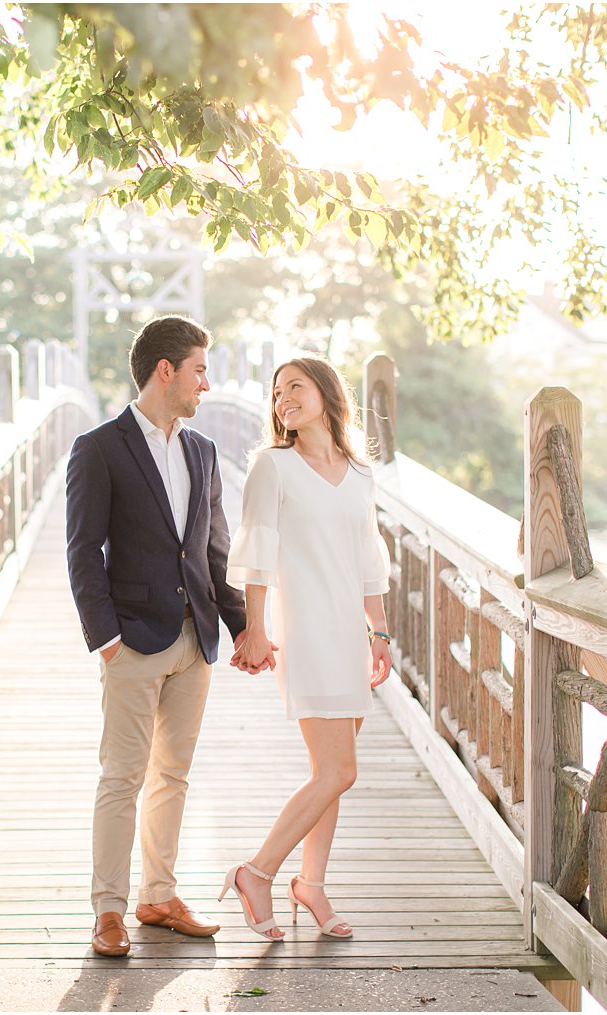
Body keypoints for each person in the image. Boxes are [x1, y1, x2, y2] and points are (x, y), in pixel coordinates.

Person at [65, 316, 254, 958]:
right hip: (132, 640)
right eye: (200, 369)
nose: (208, 382)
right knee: (122, 776)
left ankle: (159, 895)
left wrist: (242, 628)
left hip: (194, 638)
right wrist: (105, 639)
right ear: (166, 371)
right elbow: (83, 551)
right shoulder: (99, 448)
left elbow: (215, 550)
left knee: (172, 774)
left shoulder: (201, 452)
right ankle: (109, 910)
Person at [219, 355, 393, 941]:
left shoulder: (360, 472)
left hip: (349, 631)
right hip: (306, 630)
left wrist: (380, 631)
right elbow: (258, 555)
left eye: (294, 387)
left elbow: (369, 559)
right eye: (276, 392)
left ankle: (311, 884)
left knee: (332, 772)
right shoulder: (273, 467)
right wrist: (257, 628)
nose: (282, 398)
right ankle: (258, 871)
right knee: (338, 769)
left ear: (325, 393)